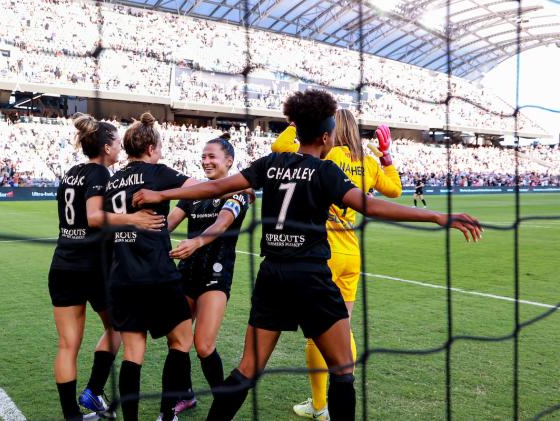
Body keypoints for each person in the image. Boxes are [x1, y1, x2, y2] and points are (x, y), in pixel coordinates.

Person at [132, 90, 482, 421]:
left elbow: (215, 187)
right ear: (328, 139)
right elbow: (372, 206)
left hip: (272, 275)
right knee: (343, 370)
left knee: (247, 369)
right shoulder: (326, 171)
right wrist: (437, 216)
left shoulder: (271, 163)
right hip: (311, 276)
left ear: (297, 131)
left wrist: (161, 195)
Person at [271, 112, 402, 420]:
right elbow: (395, 191)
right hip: (352, 254)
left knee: (315, 334)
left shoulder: (326, 153)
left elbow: (280, 147)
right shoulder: (366, 160)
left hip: (323, 252)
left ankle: (320, 406)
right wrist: (386, 156)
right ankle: (345, 390)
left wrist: (296, 122)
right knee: (343, 327)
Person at [48, 113, 165, 421]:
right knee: (121, 327)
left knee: (67, 345)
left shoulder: (72, 172)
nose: (120, 148)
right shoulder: (100, 174)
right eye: (116, 142)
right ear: (106, 146)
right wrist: (134, 218)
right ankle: (95, 389)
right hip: (93, 267)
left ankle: (74, 413)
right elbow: (94, 217)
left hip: (62, 264)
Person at [103, 112, 199, 421]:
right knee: (182, 340)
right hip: (157, 274)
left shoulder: (113, 180)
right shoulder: (156, 172)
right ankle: (167, 414)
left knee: (133, 352)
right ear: (151, 147)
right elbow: (198, 188)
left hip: (122, 276)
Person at [167, 133, 249, 414]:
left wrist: (196, 242)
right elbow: (169, 223)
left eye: (211, 156)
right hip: (186, 272)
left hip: (215, 275)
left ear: (229, 161)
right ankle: (186, 395)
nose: (206, 161)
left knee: (203, 345)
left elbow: (223, 223)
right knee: (177, 340)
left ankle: (222, 401)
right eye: (203, 156)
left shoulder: (239, 192)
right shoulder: (196, 190)